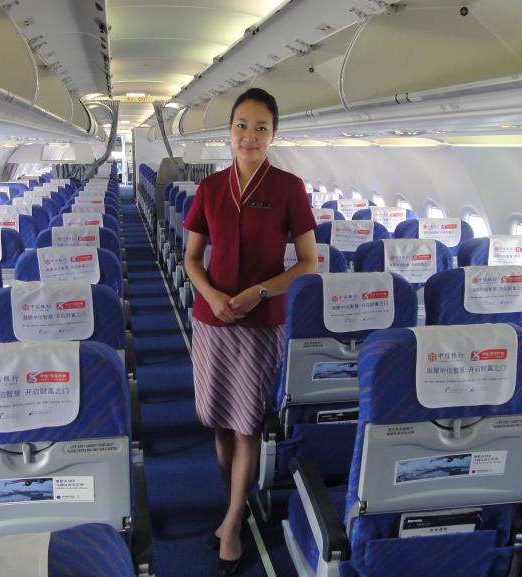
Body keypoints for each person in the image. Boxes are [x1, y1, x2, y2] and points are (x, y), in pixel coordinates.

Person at [182, 87, 318, 575]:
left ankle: (233, 526)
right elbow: (191, 259)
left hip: (261, 324)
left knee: (247, 425)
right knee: (220, 420)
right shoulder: (210, 188)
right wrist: (214, 296)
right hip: (212, 321)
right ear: (230, 131)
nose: (250, 136)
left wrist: (260, 291)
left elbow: (308, 263)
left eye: (261, 128)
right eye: (242, 125)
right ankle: (233, 510)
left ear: (273, 135)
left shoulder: (289, 187)